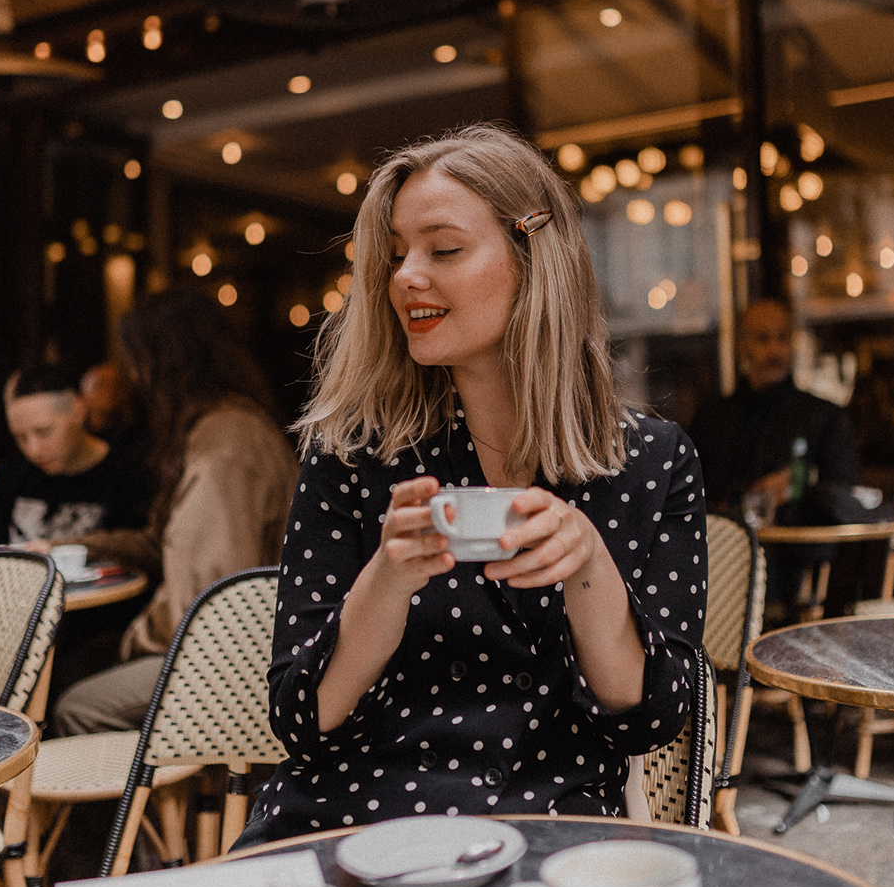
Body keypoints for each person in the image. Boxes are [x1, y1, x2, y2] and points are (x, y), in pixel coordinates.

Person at [234, 125, 706, 848]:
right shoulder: (356, 453)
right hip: (348, 828)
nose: (405, 277)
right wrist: (388, 579)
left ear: (533, 259)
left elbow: (651, 715)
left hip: (546, 833)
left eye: (443, 250)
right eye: (395, 256)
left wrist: (587, 562)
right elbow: (302, 721)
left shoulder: (648, 462)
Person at [54, 289, 300, 735]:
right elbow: (161, 543)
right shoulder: (226, 424)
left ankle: (133, 803)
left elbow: (207, 597)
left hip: (239, 661)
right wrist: (71, 546)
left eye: (136, 360)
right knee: (72, 666)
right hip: (240, 642)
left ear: (163, 363)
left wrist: (132, 639)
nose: (133, 376)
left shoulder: (222, 448)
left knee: (77, 703)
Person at [689, 298, 859, 516]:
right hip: (728, 544)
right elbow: (694, 491)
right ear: (742, 346)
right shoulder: (712, 418)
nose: (775, 351)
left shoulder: (825, 416)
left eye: (782, 338)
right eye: (763, 339)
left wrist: (798, 485)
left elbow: (847, 494)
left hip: (798, 546)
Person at [0, 363, 152, 554]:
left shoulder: (131, 476)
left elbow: (144, 552)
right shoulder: (12, 475)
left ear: (79, 411)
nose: (34, 450)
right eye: (20, 437)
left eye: (44, 432)